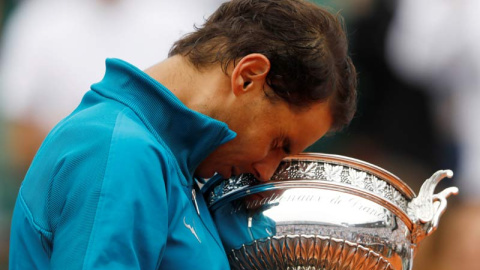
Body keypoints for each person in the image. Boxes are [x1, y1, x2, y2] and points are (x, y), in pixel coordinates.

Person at [9, 0, 357, 269]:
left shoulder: (185, 166)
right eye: (279, 144)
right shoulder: (119, 153)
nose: (268, 172)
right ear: (248, 76)